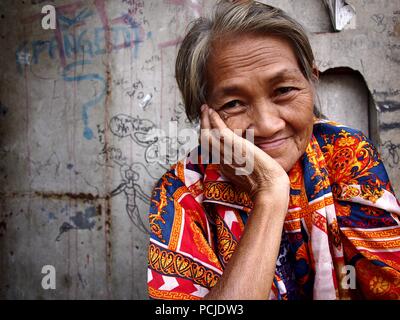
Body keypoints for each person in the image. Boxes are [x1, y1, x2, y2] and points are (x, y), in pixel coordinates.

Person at [147, 0, 400, 300]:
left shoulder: (345, 155)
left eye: (283, 91)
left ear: (312, 81)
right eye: (233, 104)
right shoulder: (181, 194)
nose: (267, 126)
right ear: (205, 116)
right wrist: (270, 194)